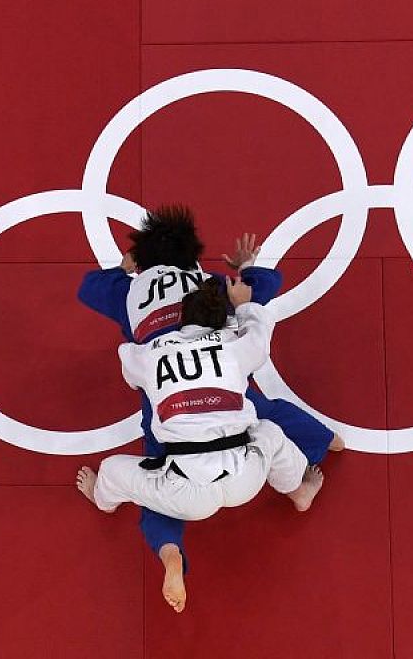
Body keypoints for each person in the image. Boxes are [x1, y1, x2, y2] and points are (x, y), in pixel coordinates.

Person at [76, 206, 342, 613]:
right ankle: (322, 446)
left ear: (141, 259)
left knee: (152, 474)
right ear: (194, 258)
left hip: (173, 431)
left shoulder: (130, 295)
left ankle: (169, 553)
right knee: (263, 414)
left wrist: (123, 268)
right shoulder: (210, 285)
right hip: (235, 440)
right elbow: (265, 289)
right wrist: (248, 271)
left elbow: (90, 288)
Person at [76, 278, 325, 527]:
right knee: (270, 432)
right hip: (244, 477)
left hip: (187, 493)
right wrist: (243, 306)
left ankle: (102, 499)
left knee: (110, 470)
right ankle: (298, 491)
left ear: (182, 318)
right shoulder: (235, 346)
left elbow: (128, 364)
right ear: (222, 322)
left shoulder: (150, 353)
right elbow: (260, 333)